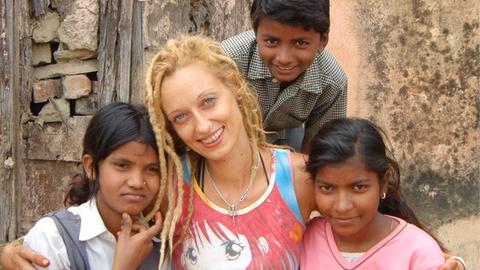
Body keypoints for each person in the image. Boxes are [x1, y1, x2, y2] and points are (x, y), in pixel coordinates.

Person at [0, 36, 465, 270]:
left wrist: (443, 259)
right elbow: (99, 221)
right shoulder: (173, 188)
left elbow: (364, 222)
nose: (201, 126)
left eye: (208, 102)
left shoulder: (299, 178)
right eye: (180, 117)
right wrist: (11, 252)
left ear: (236, 91)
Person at [20, 102, 163, 269]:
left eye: (152, 169)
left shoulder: (165, 244)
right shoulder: (54, 239)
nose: (137, 182)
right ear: (91, 167)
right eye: (123, 165)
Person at [301, 118, 449, 269]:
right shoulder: (300, 240)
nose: (342, 206)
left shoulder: (418, 252)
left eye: (358, 187)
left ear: (383, 183)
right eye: (327, 188)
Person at [221, 0, 347, 152]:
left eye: (300, 43)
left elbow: (319, 153)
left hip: (282, 137)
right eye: (271, 41)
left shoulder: (332, 83)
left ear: (323, 41)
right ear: (255, 33)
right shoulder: (226, 60)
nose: (284, 58)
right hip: (225, 140)